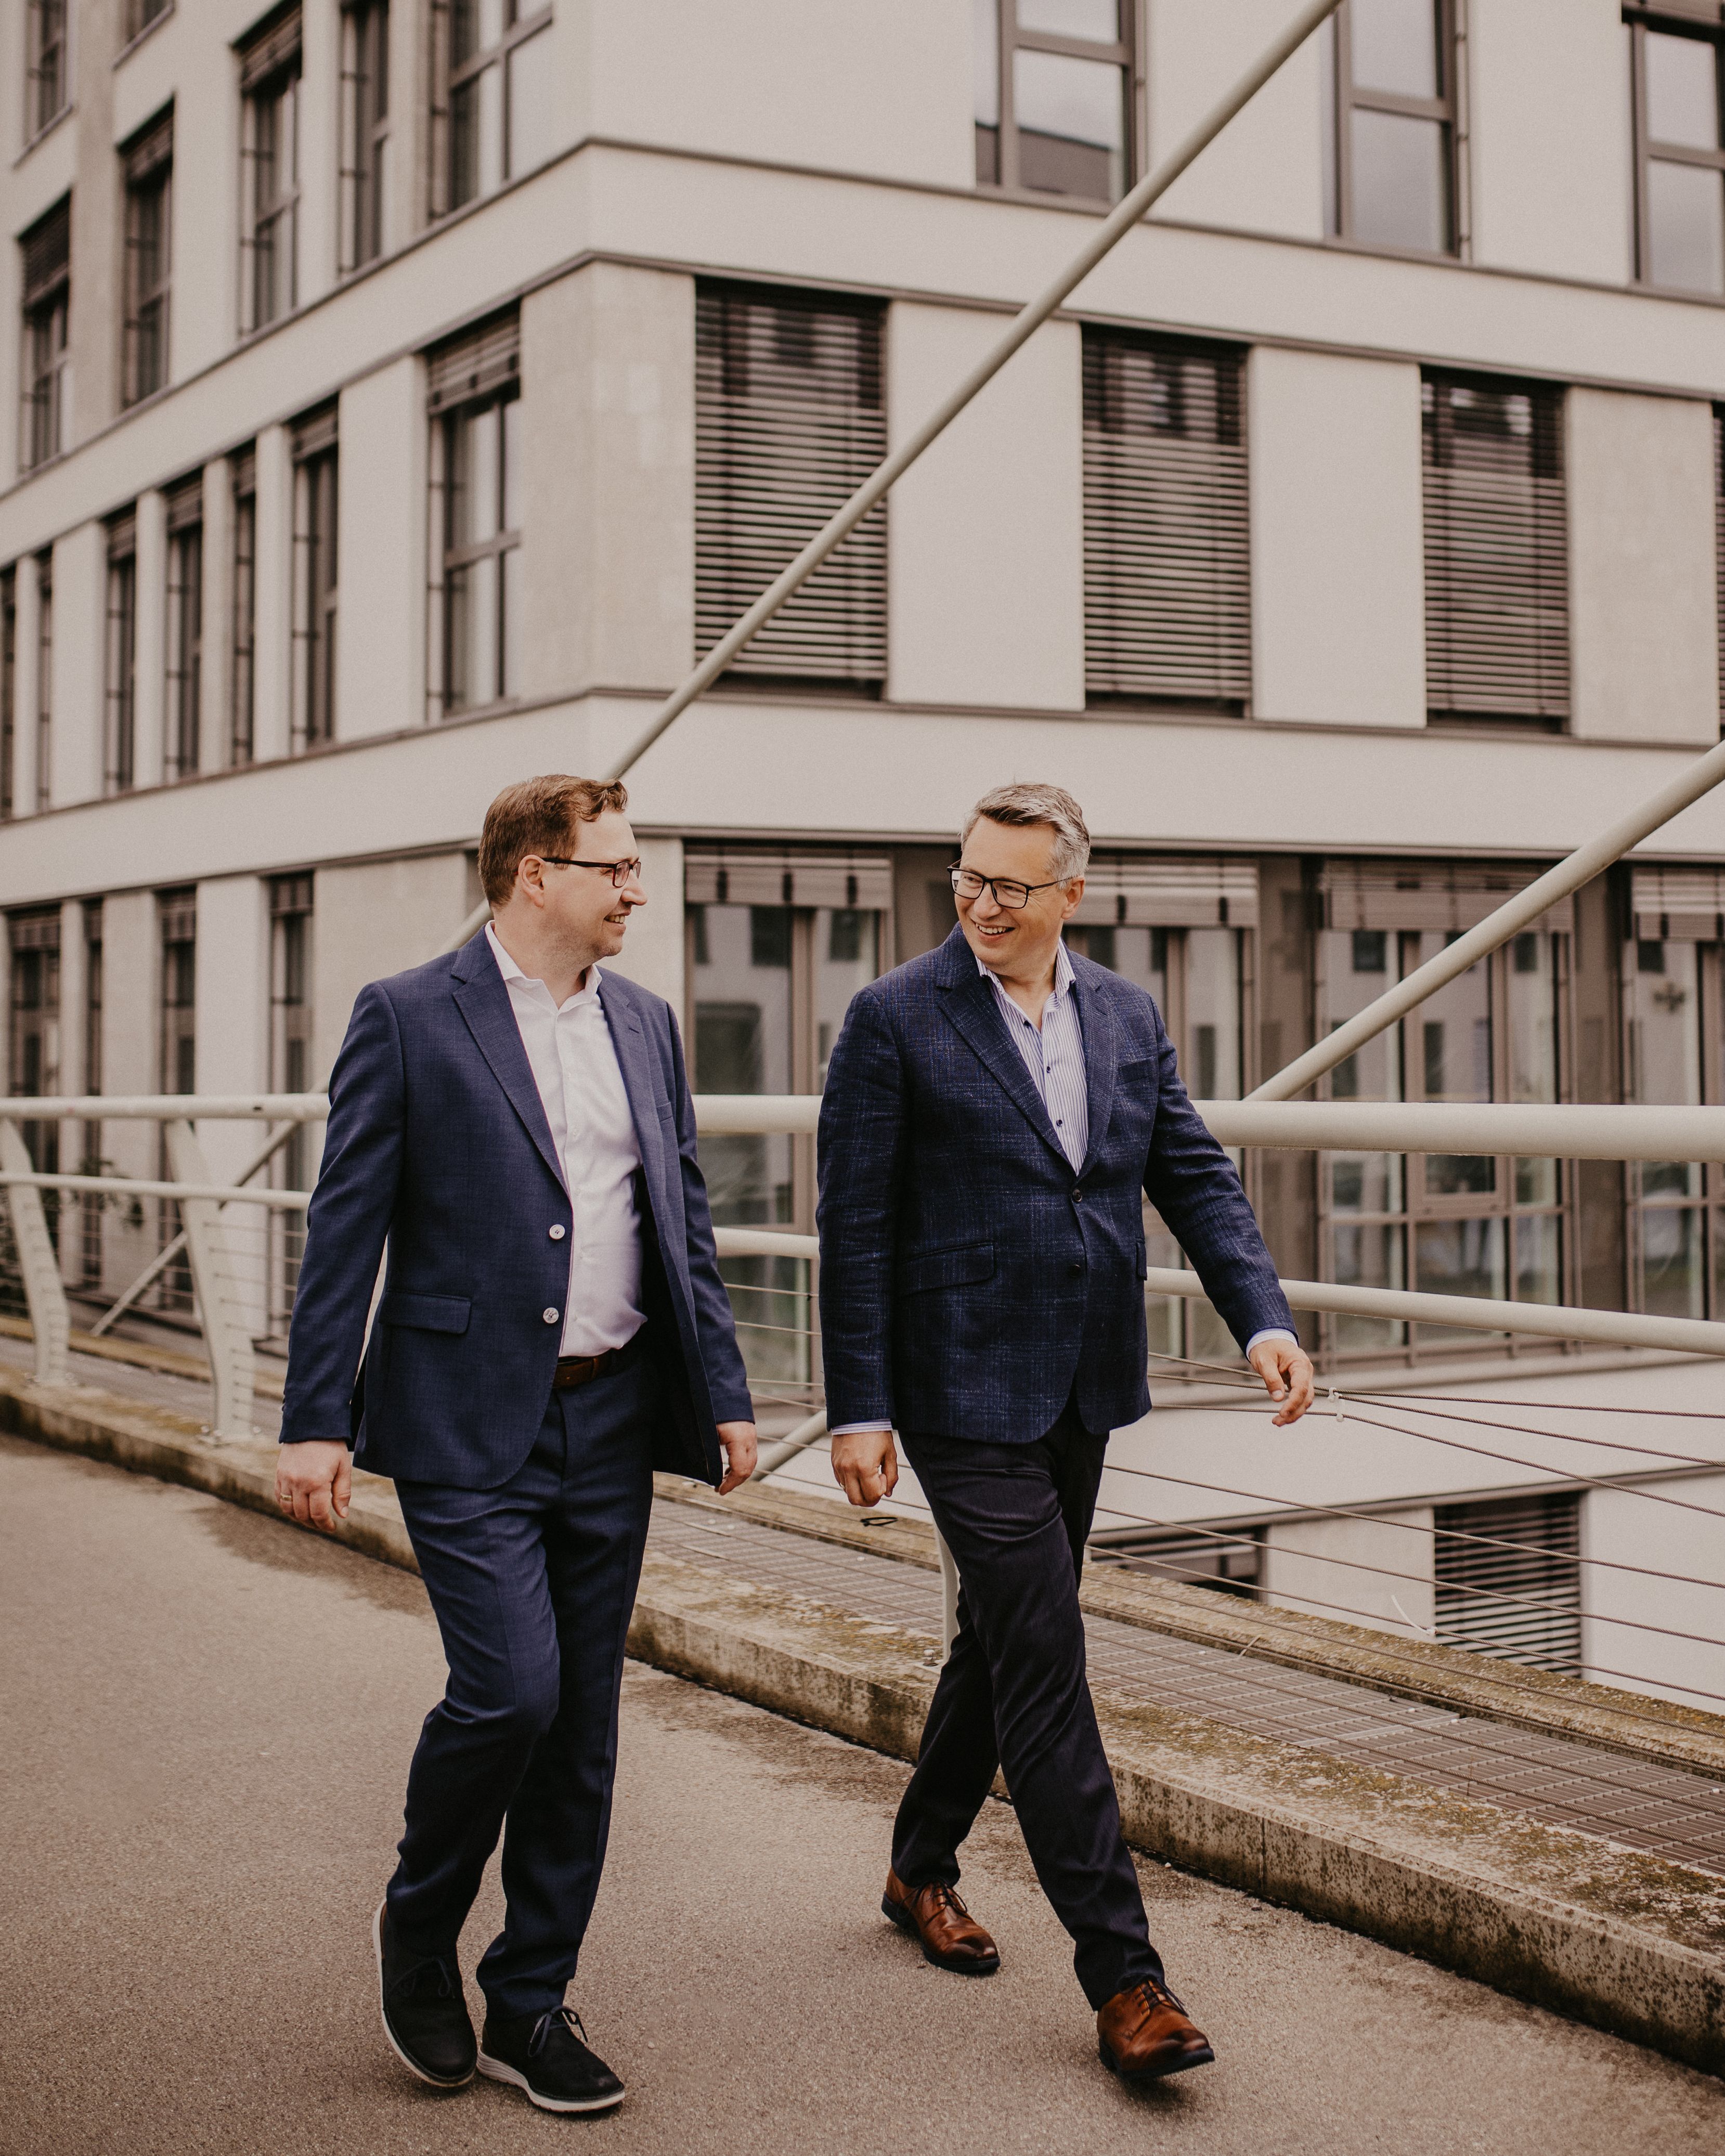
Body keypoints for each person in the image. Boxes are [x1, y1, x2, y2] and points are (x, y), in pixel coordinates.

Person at [816, 781, 1313, 2084]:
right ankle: (1127, 1979)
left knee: (997, 1639)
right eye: (966, 879)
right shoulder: (893, 1018)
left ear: (1071, 895)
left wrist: (1261, 1318)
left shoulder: (1128, 1015)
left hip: (1084, 1383)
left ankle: (918, 1865)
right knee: (1045, 1652)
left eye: (1008, 887)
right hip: (955, 1390)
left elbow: (1191, 1172)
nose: (979, 904)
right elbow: (854, 1225)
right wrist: (857, 1405)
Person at [276, 774, 756, 2116]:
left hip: (613, 1413)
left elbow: (686, 1223)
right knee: (513, 1694)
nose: (637, 890)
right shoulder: (409, 1017)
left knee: (584, 1725)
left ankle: (531, 1996)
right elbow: (345, 1231)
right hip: (461, 1414)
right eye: (616, 868)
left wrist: (724, 1390)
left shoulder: (649, 1028)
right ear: (535, 874)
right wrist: (315, 1417)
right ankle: (417, 1934)